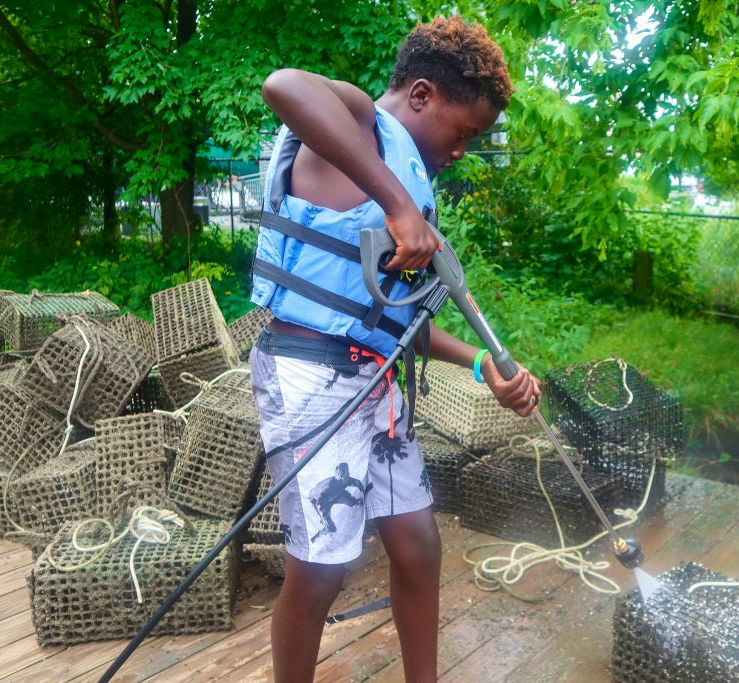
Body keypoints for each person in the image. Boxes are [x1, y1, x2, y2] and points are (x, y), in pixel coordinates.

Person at [248, 16, 540, 683]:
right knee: (320, 569)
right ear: (419, 96)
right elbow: (284, 85)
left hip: (376, 384)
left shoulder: (404, 177)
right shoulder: (360, 126)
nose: (462, 150)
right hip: (308, 376)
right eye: (463, 132)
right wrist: (395, 199)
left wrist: (481, 362)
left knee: (417, 544)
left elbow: (393, 324)